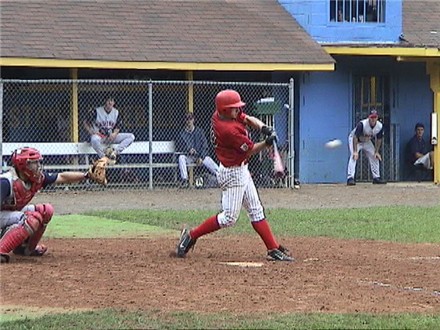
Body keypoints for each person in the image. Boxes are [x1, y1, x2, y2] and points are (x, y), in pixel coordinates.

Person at [176, 89, 293, 262]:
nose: (237, 110)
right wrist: (267, 143)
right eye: (234, 108)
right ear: (225, 110)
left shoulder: (220, 115)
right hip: (233, 174)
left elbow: (246, 119)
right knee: (229, 218)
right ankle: (191, 236)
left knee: (255, 209)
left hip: (240, 170)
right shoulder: (228, 130)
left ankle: (273, 248)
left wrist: (264, 127)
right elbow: (251, 149)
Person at [0, 147, 93, 263]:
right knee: (31, 219)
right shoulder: (6, 182)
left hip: (6, 213)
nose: (38, 166)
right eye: (34, 163)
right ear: (23, 165)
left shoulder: (35, 179)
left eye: (38, 162)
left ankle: (26, 248)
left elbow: (62, 177)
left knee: (46, 210)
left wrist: (87, 175)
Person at [83, 97, 135, 163]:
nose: (110, 103)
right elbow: (85, 122)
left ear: (114, 103)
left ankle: (115, 153)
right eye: (108, 101)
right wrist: (91, 131)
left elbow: (118, 126)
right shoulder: (96, 111)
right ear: (105, 102)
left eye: (112, 101)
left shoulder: (116, 112)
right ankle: (103, 157)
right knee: (94, 139)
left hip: (111, 137)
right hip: (100, 137)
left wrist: (114, 134)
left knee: (131, 136)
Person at [176, 112, 219, 188]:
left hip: (200, 156)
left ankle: (222, 177)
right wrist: (188, 150)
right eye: (187, 119)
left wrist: (201, 157)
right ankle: (184, 180)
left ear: (193, 120)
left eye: (190, 119)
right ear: (185, 121)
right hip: (189, 157)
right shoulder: (181, 134)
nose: (189, 121)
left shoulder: (199, 132)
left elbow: (205, 146)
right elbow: (179, 147)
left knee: (209, 160)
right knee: (181, 158)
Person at [347, 109, 387, 185]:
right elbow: (355, 137)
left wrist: (376, 151)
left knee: (374, 156)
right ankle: (350, 178)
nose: (373, 119)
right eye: (372, 117)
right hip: (356, 140)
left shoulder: (379, 126)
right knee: (353, 156)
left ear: (377, 118)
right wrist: (355, 151)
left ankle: (376, 177)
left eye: (375, 117)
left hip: (366, 141)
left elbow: (379, 139)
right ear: (369, 117)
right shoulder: (362, 124)